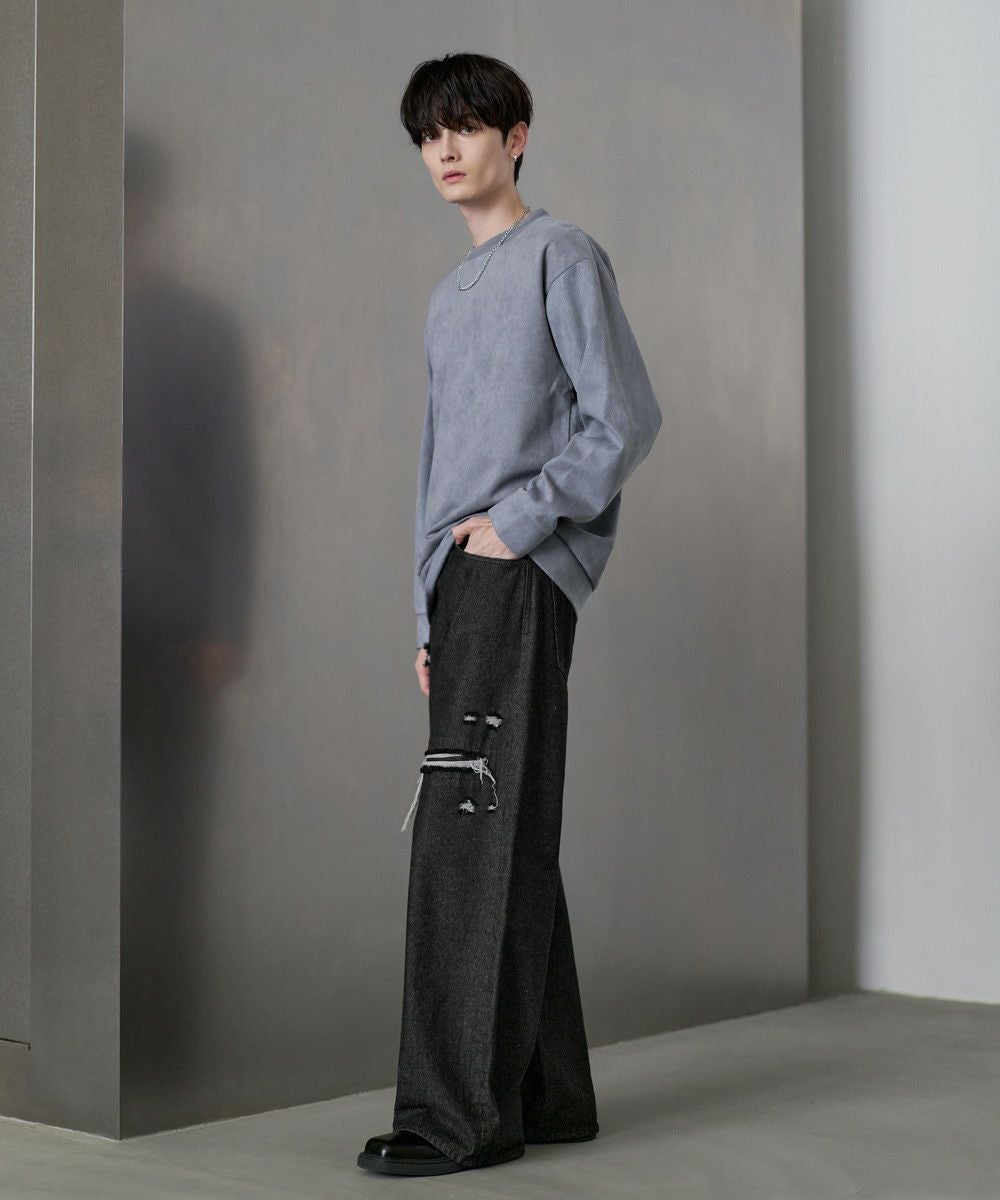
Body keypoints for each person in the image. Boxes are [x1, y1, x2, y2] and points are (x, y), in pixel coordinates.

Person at [357, 51, 663, 1177]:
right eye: (427, 135)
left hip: (517, 566)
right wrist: (424, 608)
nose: (444, 150)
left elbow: (623, 417)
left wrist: (522, 523)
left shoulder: (560, 254)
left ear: (515, 136)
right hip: (461, 579)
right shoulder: (449, 297)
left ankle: (457, 1119)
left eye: (466, 128)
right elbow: (437, 465)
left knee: (468, 829)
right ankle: (548, 1095)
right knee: (504, 818)